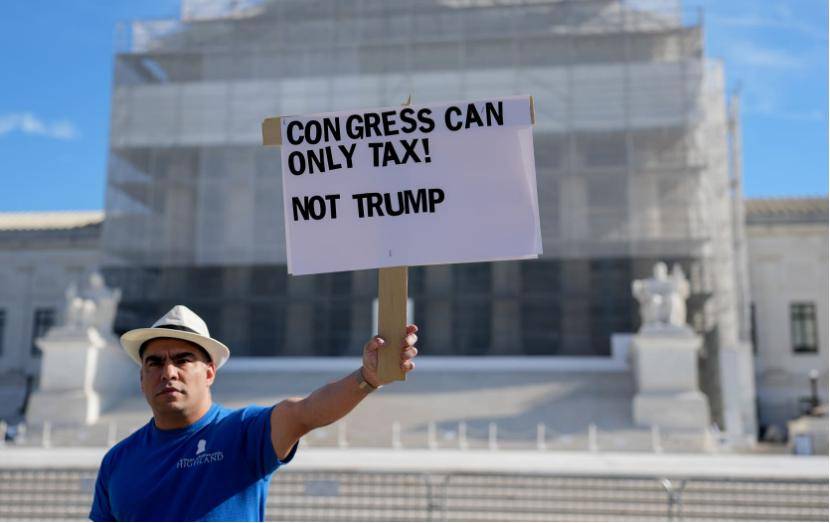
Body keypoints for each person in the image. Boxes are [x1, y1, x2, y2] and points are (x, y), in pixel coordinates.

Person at [89, 305, 418, 521]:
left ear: (209, 373)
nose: (169, 372)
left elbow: (305, 412)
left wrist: (366, 378)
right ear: (141, 377)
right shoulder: (117, 461)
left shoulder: (243, 431)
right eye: (155, 362)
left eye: (183, 359)